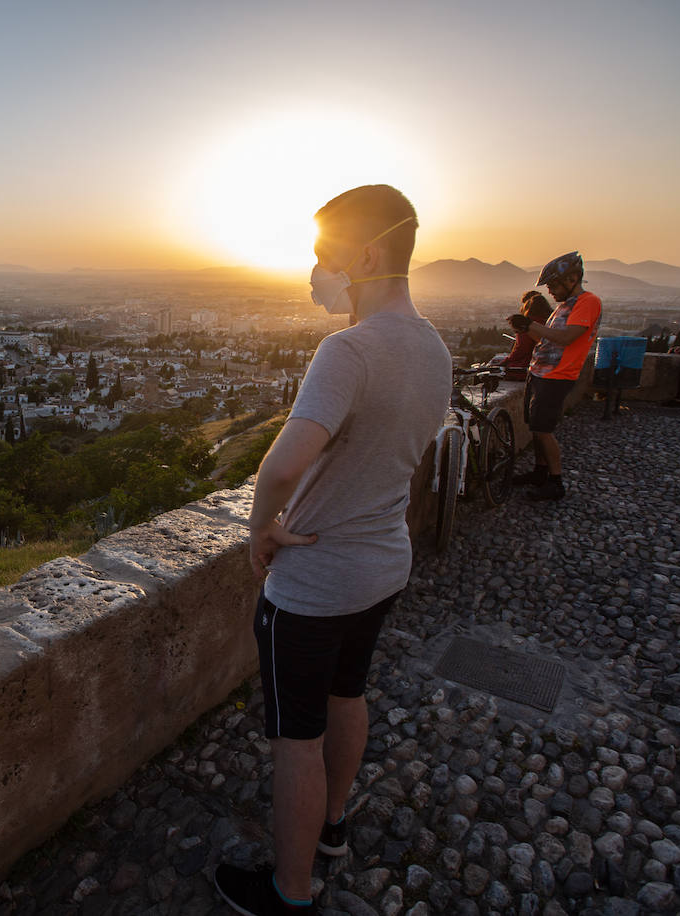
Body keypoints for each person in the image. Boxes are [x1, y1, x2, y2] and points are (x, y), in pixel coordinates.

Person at [213, 185, 451, 916]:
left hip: (316, 582)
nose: (314, 267)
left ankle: (290, 891)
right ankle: (335, 826)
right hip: (382, 567)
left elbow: (283, 464)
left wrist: (259, 526)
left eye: (324, 252)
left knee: (296, 737)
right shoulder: (435, 347)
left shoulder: (349, 350)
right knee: (350, 694)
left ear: (368, 254)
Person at [507, 251, 602, 501]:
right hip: (540, 372)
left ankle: (556, 481)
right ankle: (539, 472)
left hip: (557, 375)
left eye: (553, 285)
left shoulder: (587, 302)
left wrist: (530, 325)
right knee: (536, 427)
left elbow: (568, 338)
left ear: (571, 279)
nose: (549, 291)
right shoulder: (563, 308)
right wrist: (525, 330)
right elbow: (546, 341)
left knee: (544, 429)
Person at [497, 290, 554, 379]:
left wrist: (505, 361)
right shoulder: (552, 321)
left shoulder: (527, 325)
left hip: (529, 368)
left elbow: (522, 348)